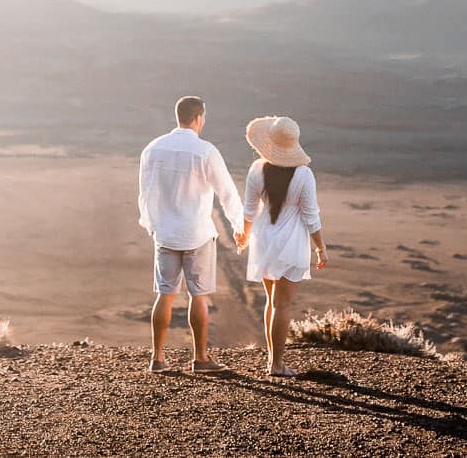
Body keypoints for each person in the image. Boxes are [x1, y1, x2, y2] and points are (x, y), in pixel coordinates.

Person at [137, 94, 245, 373]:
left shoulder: (152, 148)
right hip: (197, 233)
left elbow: (145, 194)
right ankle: (200, 359)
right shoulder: (206, 151)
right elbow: (227, 192)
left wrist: (152, 225)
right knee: (198, 296)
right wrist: (239, 227)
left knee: (165, 294)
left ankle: (157, 359)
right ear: (198, 118)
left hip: (165, 233)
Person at [235, 115, 327, 378]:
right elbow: (311, 215)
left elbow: (250, 211)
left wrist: (244, 236)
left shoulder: (256, 169)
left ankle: (272, 361)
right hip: (291, 243)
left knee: (272, 302)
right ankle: (277, 365)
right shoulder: (304, 174)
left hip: (264, 240)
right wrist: (320, 247)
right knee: (282, 305)